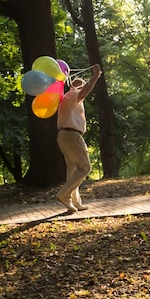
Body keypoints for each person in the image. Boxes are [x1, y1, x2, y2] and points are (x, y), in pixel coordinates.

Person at [55, 64, 102, 213]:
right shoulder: (72, 95)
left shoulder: (66, 98)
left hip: (64, 136)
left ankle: (74, 202)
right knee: (85, 167)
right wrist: (94, 77)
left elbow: (84, 92)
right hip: (71, 135)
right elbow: (85, 91)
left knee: (73, 169)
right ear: (73, 86)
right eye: (79, 84)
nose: (82, 85)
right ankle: (64, 194)